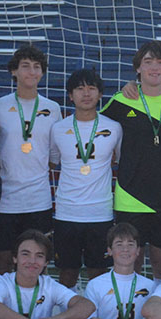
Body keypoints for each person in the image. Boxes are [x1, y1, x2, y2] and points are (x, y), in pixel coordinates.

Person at [103, 40, 161, 279]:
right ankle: (128, 316)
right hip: (129, 197)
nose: (154, 67)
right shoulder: (119, 101)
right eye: (148, 62)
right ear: (137, 68)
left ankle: (159, 316)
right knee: (128, 267)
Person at [0, 44, 60, 277]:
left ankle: (37, 312)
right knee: (2, 265)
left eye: (36, 67)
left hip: (38, 200)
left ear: (42, 73)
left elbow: (53, 157)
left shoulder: (53, 108)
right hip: (4, 199)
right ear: (14, 71)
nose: (31, 72)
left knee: (37, 265)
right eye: (25, 66)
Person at [51, 69, 122, 288]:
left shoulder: (114, 127)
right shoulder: (58, 128)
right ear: (70, 95)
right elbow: (53, 161)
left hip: (100, 213)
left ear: (100, 94)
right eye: (80, 89)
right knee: (67, 274)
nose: (86, 93)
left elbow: (116, 160)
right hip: (66, 212)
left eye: (91, 88)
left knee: (98, 275)